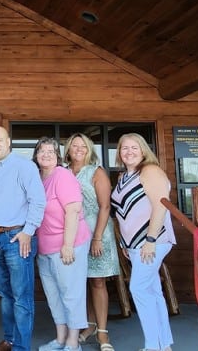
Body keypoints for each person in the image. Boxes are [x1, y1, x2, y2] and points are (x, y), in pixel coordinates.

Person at [109, 133, 175, 351]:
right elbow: (125, 213)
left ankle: (152, 346)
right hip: (134, 244)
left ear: (144, 150)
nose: (129, 152)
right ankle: (164, 344)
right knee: (153, 291)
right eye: (124, 148)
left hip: (153, 240)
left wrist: (150, 240)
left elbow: (160, 205)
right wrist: (125, 245)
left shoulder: (150, 171)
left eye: (134, 148)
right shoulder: (124, 176)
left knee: (138, 288)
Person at [0, 126, 46, 351]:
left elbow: (38, 201)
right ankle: (9, 341)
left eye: (0, 140)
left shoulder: (24, 166)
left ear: (9, 141)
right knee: (5, 294)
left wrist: (28, 232)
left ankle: (22, 347)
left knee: (22, 297)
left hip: (17, 238)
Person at [35, 136, 90, 351]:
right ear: (36, 155)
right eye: (42, 151)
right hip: (45, 247)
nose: (46, 154)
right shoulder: (38, 177)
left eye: (51, 151)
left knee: (71, 293)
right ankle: (60, 338)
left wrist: (67, 245)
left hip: (69, 244)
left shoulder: (62, 175)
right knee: (53, 294)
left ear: (57, 155)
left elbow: (73, 210)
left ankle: (73, 341)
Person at [64, 133, 118, 351]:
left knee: (97, 281)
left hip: (97, 231)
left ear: (89, 149)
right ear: (68, 149)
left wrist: (97, 237)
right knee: (80, 282)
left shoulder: (96, 172)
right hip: (72, 233)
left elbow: (105, 206)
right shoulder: (63, 172)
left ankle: (103, 333)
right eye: (74, 146)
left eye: (83, 146)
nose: (79, 149)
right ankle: (89, 324)